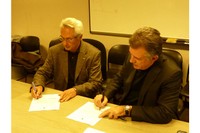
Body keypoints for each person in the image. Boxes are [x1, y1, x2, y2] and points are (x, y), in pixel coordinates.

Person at [94, 27, 182, 124]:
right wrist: (105, 95)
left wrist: (127, 110)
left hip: (144, 120)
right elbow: (119, 78)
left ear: (154, 58)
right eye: (131, 54)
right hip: (120, 114)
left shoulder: (171, 73)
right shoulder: (133, 55)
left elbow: (165, 113)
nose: (131, 60)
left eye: (137, 58)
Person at [31, 17, 103, 102]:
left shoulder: (93, 54)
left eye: (69, 39)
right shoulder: (55, 51)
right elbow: (42, 72)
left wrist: (75, 90)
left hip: (83, 99)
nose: (65, 43)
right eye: (62, 38)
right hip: (61, 97)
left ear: (80, 37)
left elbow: (95, 83)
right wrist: (38, 85)